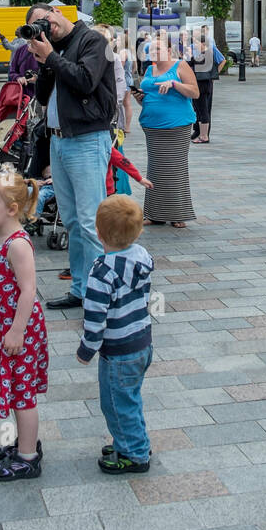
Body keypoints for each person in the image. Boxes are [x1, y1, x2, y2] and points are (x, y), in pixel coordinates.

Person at [29, 3, 118, 312]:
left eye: (46, 20)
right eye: (37, 25)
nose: (45, 27)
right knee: (72, 222)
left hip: (87, 139)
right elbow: (41, 97)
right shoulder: (56, 49)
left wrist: (52, 56)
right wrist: (44, 61)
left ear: (58, 12)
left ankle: (100, 294)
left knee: (91, 221)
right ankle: (80, 288)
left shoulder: (92, 40)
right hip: (59, 141)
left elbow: (85, 80)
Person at [0, 171, 48, 482]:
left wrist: (16, 331)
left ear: (12, 209)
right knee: (16, 391)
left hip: (18, 332)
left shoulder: (17, 244)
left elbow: (28, 290)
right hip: (1, 328)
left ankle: (28, 456)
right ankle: (22, 445)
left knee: (22, 394)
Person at [76, 195, 154, 475]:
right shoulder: (143, 256)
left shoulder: (102, 270)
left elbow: (96, 317)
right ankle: (134, 441)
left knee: (117, 403)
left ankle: (135, 454)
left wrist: (86, 349)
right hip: (142, 341)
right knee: (130, 397)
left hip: (119, 349)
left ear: (98, 233)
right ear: (139, 230)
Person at [135, 28, 199, 228]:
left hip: (176, 125)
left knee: (174, 169)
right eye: (150, 50)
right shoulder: (149, 70)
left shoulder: (180, 66)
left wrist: (174, 83)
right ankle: (155, 214)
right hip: (151, 126)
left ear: (169, 49)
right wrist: (140, 98)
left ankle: (177, 213)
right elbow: (150, 96)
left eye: (157, 49)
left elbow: (195, 92)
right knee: (155, 170)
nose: (153, 53)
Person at [189, 25, 226, 144]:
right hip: (197, 82)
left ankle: (204, 134)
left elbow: (221, 61)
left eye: (196, 40)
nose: (194, 42)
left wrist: (213, 76)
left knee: (204, 108)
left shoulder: (209, 51)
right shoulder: (197, 51)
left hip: (203, 83)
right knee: (198, 109)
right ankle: (199, 132)